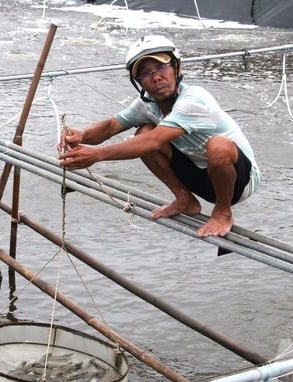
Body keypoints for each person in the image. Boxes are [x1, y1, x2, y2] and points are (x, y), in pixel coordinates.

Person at [58, 35, 261, 238]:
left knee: (218, 145)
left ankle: (223, 212)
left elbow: (155, 140)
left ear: (176, 68)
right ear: (139, 82)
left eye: (161, 68)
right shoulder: (148, 105)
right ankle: (185, 200)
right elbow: (111, 126)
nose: (156, 77)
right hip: (202, 176)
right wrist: (81, 135)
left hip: (238, 182)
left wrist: (97, 155)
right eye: (146, 74)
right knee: (143, 131)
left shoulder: (194, 98)